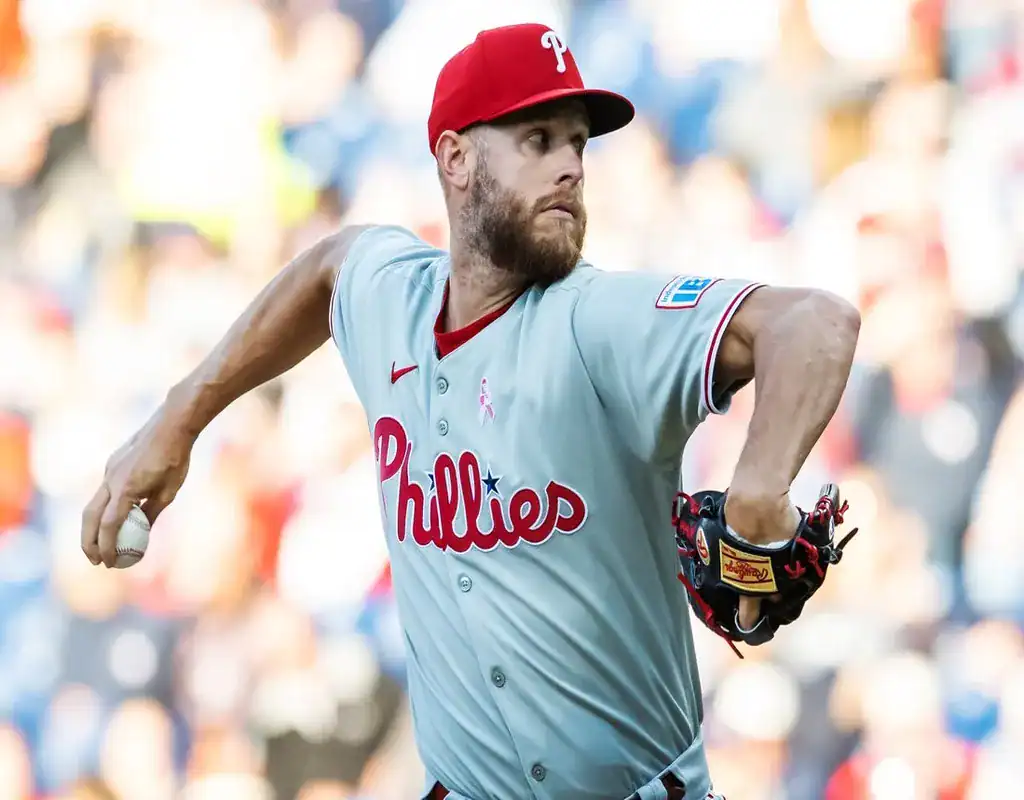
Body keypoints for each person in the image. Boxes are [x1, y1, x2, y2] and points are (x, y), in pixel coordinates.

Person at [81, 22, 860, 800]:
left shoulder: (601, 322)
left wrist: (760, 489)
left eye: (578, 146)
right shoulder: (395, 300)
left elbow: (815, 322)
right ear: (454, 157)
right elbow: (327, 269)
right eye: (537, 139)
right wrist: (177, 420)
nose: (568, 168)